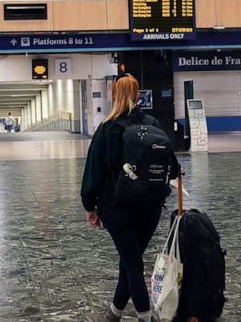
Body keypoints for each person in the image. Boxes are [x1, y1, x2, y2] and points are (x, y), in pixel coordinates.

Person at [81, 74, 182, 322]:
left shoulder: (107, 128)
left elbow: (93, 171)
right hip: (150, 206)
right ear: (139, 96)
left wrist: (90, 205)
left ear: (113, 95)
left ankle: (145, 317)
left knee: (132, 263)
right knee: (131, 259)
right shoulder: (154, 124)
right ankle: (114, 312)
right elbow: (174, 167)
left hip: (117, 206)